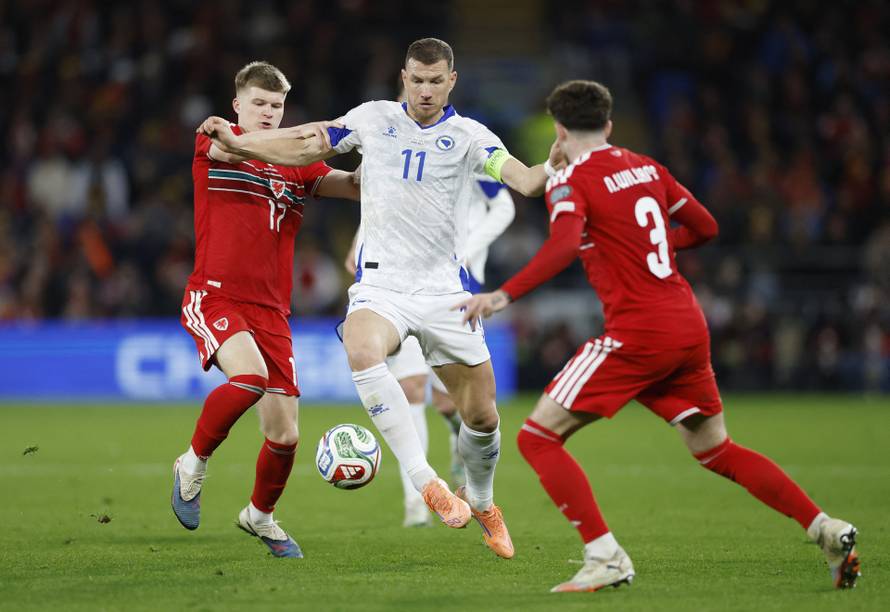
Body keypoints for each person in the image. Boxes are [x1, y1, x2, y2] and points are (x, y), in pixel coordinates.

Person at [458, 80, 860, 590]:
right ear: (608, 125)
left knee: (537, 438)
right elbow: (707, 227)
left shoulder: (570, 180)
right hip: (686, 325)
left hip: (638, 332)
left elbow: (561, 248)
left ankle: (605, 556)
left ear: (558, 130)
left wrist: (502, 295)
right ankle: (825, 528)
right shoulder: (647, 167)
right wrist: (650, 243)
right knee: (715, 449)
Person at [202, 38, 561, 559]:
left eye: (435, 81)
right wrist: (240, 145)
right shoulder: (373, 118)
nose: (425, 90)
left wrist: (551, 165)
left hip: (443, 291)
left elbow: (524, 182)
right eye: (416, 79)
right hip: (381, 284)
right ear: (404, 77)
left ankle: (481, 500)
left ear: (451, 82)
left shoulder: (469, 136)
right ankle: (425, 481)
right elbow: (307, 142)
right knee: (362, 348)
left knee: (481, 418)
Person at [171, 61, 359, 558]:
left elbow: (354, 186)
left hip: (272, 311)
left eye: (276, 106)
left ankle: (259, 516)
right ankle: (192, 463)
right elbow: (224, 147)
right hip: (216, 294)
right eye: (259, 103)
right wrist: (229, 132)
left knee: (285, 433)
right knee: (249, 380)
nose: (268, 113)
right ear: (238, 105)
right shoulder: (219, 139)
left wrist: (387, 159)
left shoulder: (297, 164)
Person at [344, 158, 515, 528]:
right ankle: (418, 501)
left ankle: (458, 433)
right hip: (395, 292)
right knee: (411, 389)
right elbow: (364, 235)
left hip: (452, 289)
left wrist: (470, 249)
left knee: (453, 403)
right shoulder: (390, 159)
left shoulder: (466, 152)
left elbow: (504, 205)